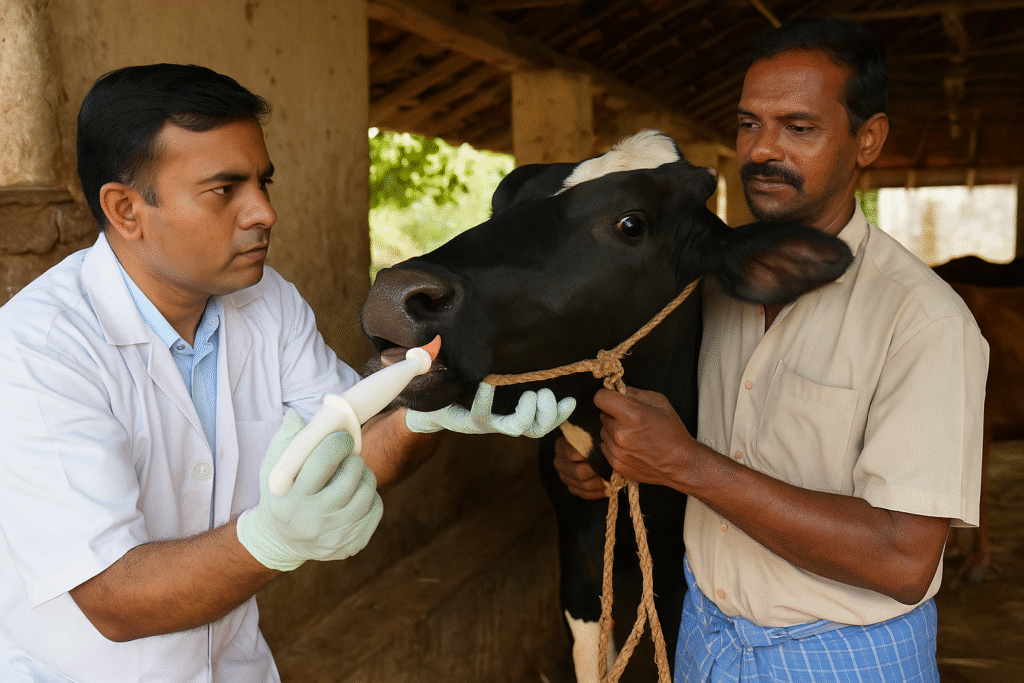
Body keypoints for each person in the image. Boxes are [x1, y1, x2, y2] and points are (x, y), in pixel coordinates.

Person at [0, 63, 573, 682]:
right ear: (125, 209)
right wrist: (269, 539)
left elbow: (343, 446)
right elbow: (113, 599)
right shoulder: (40, 352)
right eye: (225, 189)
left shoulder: (265, 301)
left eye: (263, 183)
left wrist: (424, 412)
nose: (264, 213)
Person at [553, 16, 987, 682]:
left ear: (867, 139)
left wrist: (686, 463)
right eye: (749, 123)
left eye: (799, 127)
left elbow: (904, 560)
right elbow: (672, 428)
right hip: (706, 636)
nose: (762, 150)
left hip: (845, 656)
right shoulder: (708, 284)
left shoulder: (924, 319)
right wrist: (604, 457)